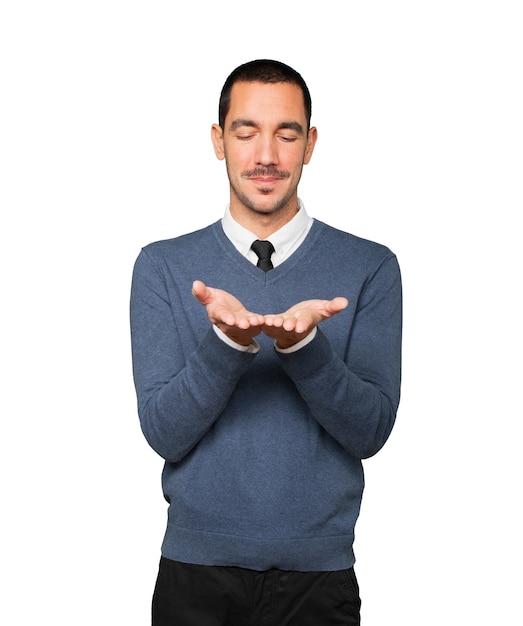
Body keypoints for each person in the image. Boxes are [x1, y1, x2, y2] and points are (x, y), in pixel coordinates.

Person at [130, 59, 402, 625]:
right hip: (194, 578)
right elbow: (163, 432)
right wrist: (227, 345)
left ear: (310, 145)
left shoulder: (370, 267)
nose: (266, 156)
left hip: (318, 580)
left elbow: (371, 430)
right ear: (218, 140)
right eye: (245, 131)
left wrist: (305, 350)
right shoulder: (162, 266)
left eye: (287, 133)